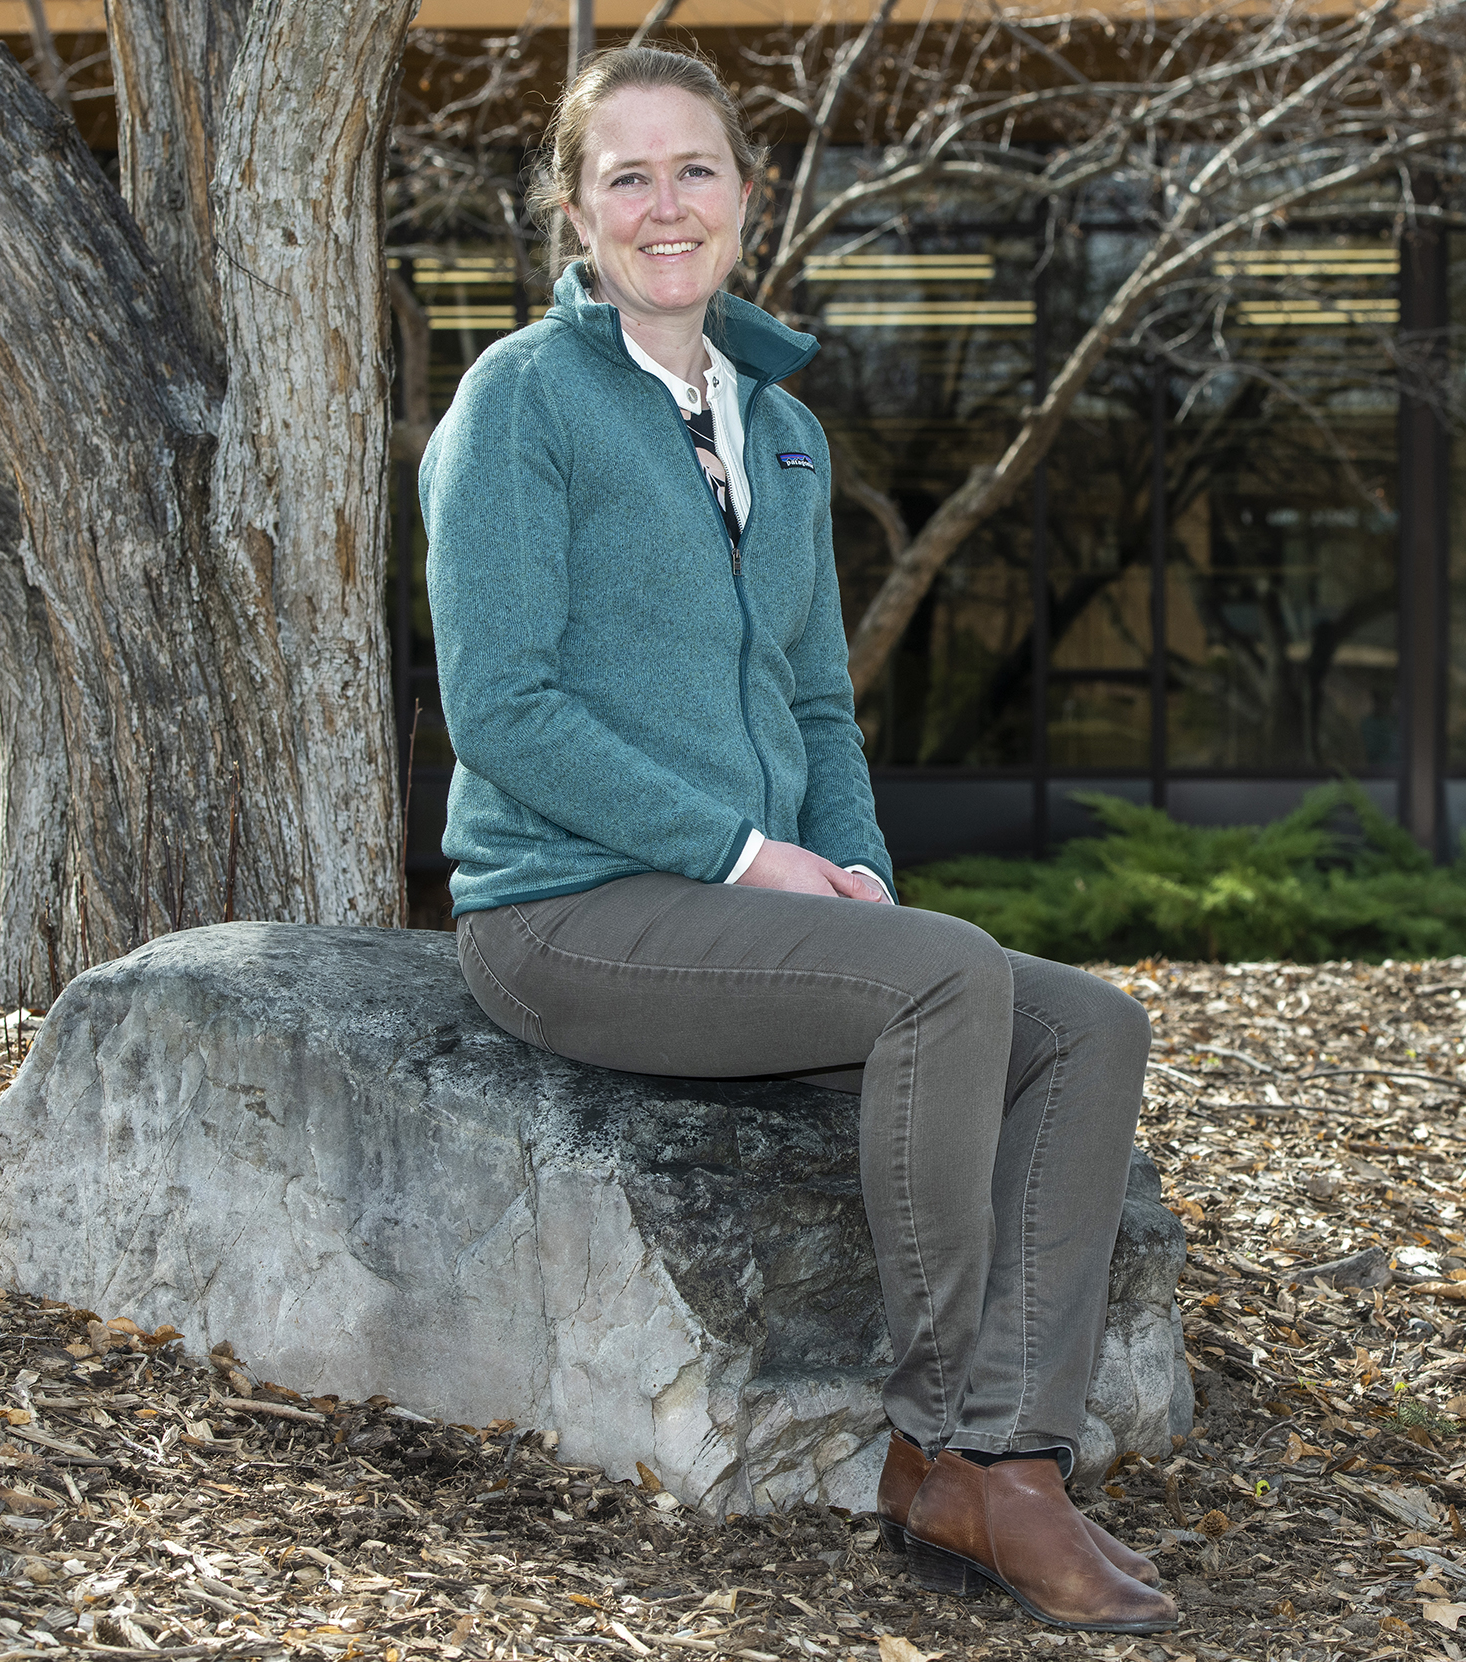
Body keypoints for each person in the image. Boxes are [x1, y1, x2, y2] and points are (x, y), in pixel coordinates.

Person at [419, 44, 1178, 1638]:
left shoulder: (778, 427)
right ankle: (944, 1440)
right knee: (943, 986)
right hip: (567, 910)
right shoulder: (521, 401)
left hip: (749, 908)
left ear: (748, 199)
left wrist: (861, 879)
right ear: (577, 211)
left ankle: (1010, 1464)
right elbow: (503, 708)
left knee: (1090, 1023)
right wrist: (750, 859)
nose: (665, 202)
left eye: (695, 167)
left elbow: (822, 710)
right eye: (625, 175)